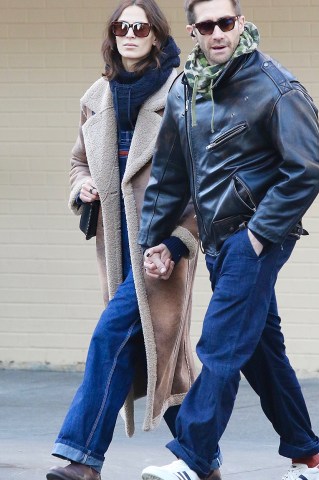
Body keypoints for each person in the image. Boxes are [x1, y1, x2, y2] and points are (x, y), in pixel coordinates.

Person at [138, 0, 319, 479]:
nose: (218, 32)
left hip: (258, 235)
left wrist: (261, 235)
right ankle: (308, 459)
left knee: (221, 344)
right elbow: (168, 174)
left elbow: (306, 168)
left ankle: (192, 458)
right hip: (218, 241)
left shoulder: (273, 85)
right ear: (193, 31)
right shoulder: (185, 90)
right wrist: (154, 240)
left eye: (227, 22)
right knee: (263, 354)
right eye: (207, 25)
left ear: (240, 23)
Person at [46, 1, 222, 479]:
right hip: (117, 249)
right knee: (159, 361)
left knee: (112, 338)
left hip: (162, 251)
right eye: (121, 26)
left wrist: (182, 242)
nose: (129, 34)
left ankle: (82, 460)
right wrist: (80, 188)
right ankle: (203, 462)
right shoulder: (95, 97)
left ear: (157, 35)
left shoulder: (183, 93)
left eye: (140, 26)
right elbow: (78, 162)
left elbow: (207, 182)